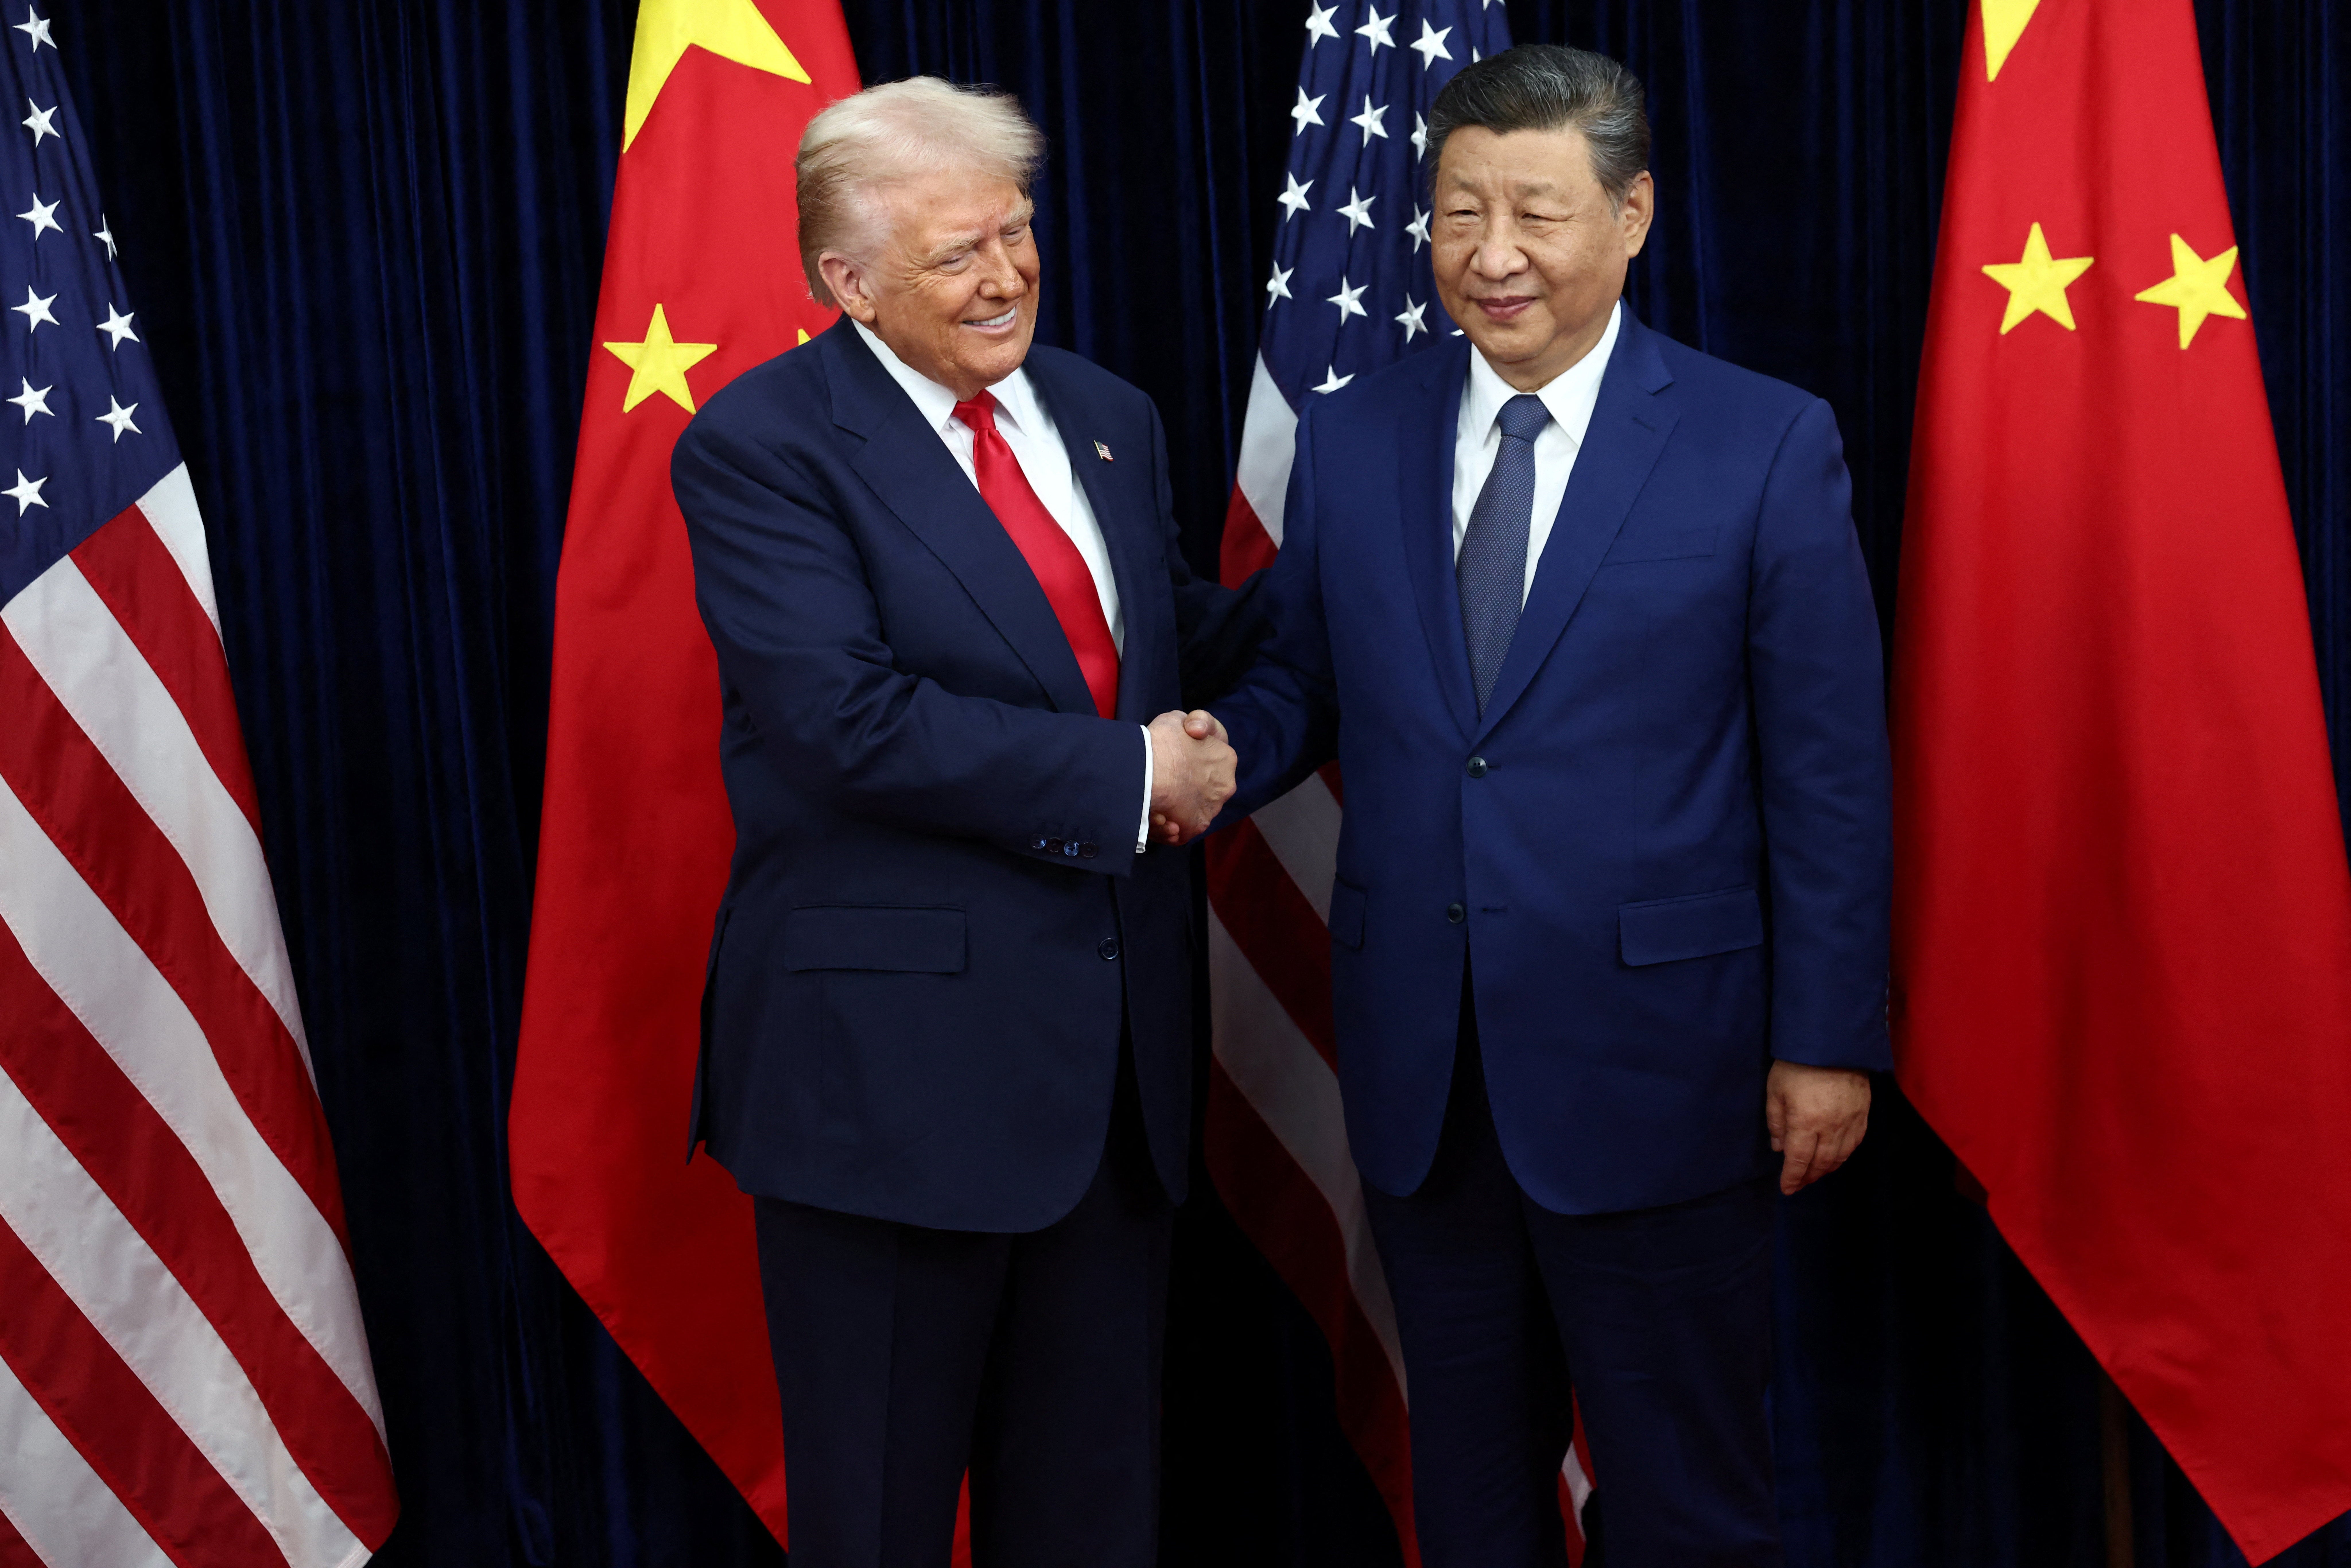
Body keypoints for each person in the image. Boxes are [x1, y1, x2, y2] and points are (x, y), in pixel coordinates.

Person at [1198, 45, 1892, 1567]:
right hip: (1423, 1072)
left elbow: (1829, 770)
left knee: (1687, 1495)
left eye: (1536, 213)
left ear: (1631, 216)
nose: (1491, 255)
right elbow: (1307, 686)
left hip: (1662, 1067)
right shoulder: (1357, 434)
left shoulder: (1762, 443)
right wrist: (1194, 766)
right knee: (1469, 1492)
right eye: (1458, 214)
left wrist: (1828, 1038)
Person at [670, 77, 1261, 1568]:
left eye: (1016, 233)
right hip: (889, 1094)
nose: (1005, 276)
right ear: (847, 283)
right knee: (873, 1519)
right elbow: (843, 721)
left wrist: (1380, 574)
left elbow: (1162, 643)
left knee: (1092, 1520)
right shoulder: (762, 449)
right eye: (957, 253)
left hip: (1115, 1090)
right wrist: (1137, 780)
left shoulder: (1109, 416)